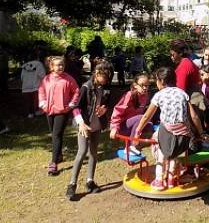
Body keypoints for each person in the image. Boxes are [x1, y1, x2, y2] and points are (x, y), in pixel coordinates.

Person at [132, 67, 206, 191]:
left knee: (161, 150)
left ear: (161, 81)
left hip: (167, 136)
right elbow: (194, 116)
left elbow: (147, 116)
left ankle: (160, 180)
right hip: (184, 137)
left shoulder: (159, 95)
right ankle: (172, 179)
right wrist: (201, 132)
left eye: (156, 80)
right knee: (174, 154)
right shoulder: (183, 93)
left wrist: (138, 131)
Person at [65, 60, 114, 201]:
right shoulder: (86, 87)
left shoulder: (106, 88)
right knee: (82, 152)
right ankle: (72, 184)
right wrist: (80, 123)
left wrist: (104, 109)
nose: (107, 80)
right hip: (85, 125)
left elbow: (106, 103)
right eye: (105, 77)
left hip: (97, 125)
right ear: (97, 73)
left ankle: (90, 181)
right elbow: (76, 107)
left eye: (108, 77)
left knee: (93, 152)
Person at [39, 56, 80, 176]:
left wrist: (71, 104)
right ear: (51, 67)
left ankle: (53, 163)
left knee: (56, 135)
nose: (60, 67)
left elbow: (76, 91)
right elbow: (41, 91)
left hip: (62, 111)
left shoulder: (68, 79)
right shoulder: (46, 79)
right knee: (55, 134)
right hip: (49, 110)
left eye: (62, 64)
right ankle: (59, 155)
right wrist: (43, 104)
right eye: (57, 65)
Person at [109, 73, 153, 155]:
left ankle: (137, 144)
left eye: (147, 85)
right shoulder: (130, 95)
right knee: (141, 117)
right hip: (122, 126)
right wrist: (114, 127)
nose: (145, 88)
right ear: (135, 85)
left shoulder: (145, 95)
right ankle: (131, 147)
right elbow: (117, 111)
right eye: (142, 85)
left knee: (149, 124)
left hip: (134, 124)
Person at [21, 52, 46, 118]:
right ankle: (37, 112)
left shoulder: (24, 66)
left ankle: (30, 113)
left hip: (25, 87)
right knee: (36, 101)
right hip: (36, 86)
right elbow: (43, 75)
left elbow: (22, 77)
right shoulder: (39, 64)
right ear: (37, 57)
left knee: (28, 101)